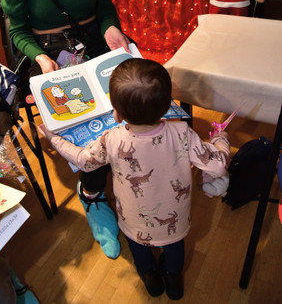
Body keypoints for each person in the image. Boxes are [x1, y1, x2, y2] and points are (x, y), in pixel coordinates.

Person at [0, 0, 131, 258]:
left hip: (94, 42)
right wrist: (38, 56)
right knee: (86, 122)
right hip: (50, 55)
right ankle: (92, 194)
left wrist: (111, 29)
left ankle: (126, 172)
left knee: (130, 103)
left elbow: (105, 7)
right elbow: (17, 30)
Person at [39, 59, 230, 299]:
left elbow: (83, 160)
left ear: (117, 114)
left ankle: (150, 278)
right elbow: (219, 165)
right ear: (166, 106)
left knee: (138, 246)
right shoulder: (183, 133)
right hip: (176, 218)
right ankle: (173, 281)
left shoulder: (112, 139)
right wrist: (221, 139)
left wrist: (54, 138)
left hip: (133, 218)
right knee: (174, 246)